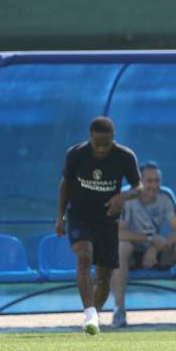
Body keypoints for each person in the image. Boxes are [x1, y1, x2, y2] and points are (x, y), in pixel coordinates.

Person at [56, 117, 141, 335]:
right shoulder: (75, 154)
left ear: (114, 138)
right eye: (97, 144)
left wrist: (123, 196)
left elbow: (138, 187)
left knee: (104, 274)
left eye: (106, 144)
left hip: (108, 220)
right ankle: (89, 313)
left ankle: (92, 320)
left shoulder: (125, 156)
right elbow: (65, 184)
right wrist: (60, 216)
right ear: (90, 138)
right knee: (84, 256)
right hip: (80, 216)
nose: (101, 149)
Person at [110, 161, 176, 328]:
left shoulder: (166, 195)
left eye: (157, 181)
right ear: (138, 182)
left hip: (157, 253)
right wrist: (149, 238)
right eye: (149, 181)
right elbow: (118, 233)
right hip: (132, 254)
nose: (154, 185)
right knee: (121, 247)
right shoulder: (125, 196)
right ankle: (118, 311)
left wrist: (154, 248)